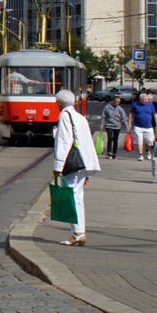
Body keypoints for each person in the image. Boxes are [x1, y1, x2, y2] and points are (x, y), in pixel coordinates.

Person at [52, 88, 100, 246]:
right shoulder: (80, 117)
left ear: (59, 103)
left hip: (72, 164)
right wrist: (89, 169)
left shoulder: (65, 116)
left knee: (71, 196)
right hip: (83, 163)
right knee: (78, 198)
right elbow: (87, 141)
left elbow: (64, 141)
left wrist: (58, 165)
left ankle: (77, 233)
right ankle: (80, 232)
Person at [129, 92, 157, 162]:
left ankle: (147, 150)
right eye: (143, 100)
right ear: (140, 99)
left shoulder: (150, 105)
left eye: (145, 100)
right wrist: (129, 123)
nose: (144, 101)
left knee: (150, 141)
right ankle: (140, 155)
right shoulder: (136, 104)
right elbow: (131, 114)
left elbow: (155, 115)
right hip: (137, 126)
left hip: (148, 126)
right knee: (139, 141)